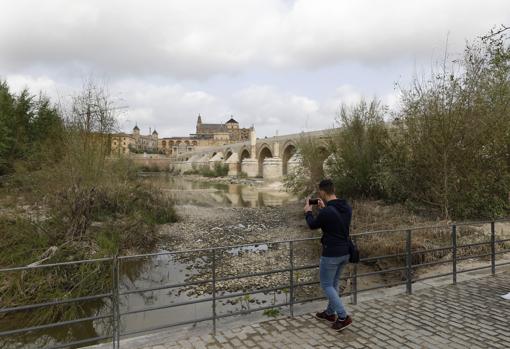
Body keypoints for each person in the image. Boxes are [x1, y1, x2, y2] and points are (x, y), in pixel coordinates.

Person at [304, 179, 353, 331]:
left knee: (326, 285)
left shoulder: (326, 212)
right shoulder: (346, 206)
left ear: (322, 192)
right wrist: (323, 209)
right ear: (334, 189)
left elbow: (313, 225)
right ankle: (330, 313)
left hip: (331, 253)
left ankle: (343, 317)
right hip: (345, 252)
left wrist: (308, 212)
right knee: (334, 283)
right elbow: (334, 223)